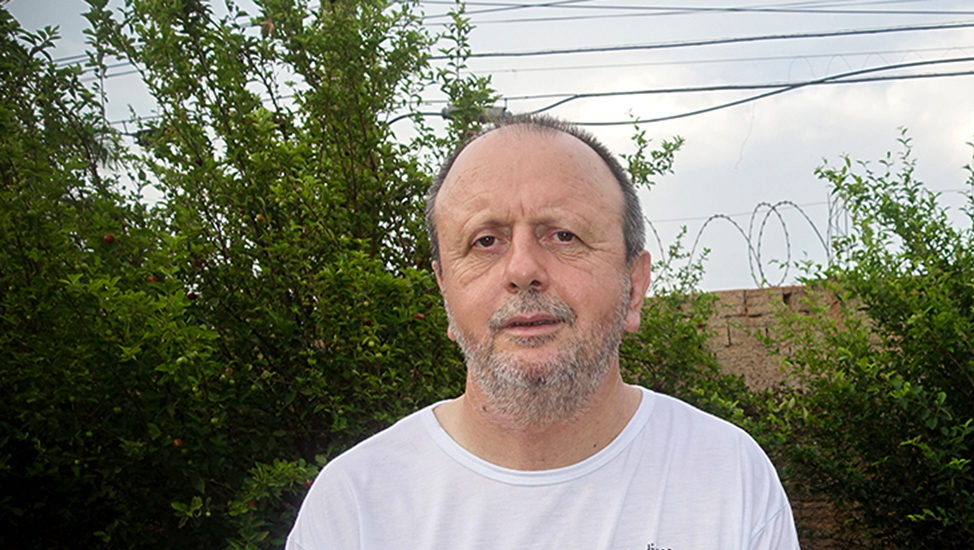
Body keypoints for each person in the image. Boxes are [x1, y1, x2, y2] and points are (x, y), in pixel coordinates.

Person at [286, 114, 799, 549]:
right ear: (445, 291)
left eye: (563, 235)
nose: (523, 268)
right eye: (485, 241)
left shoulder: (728, 479)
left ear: (634, 285)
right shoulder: (355, 508)